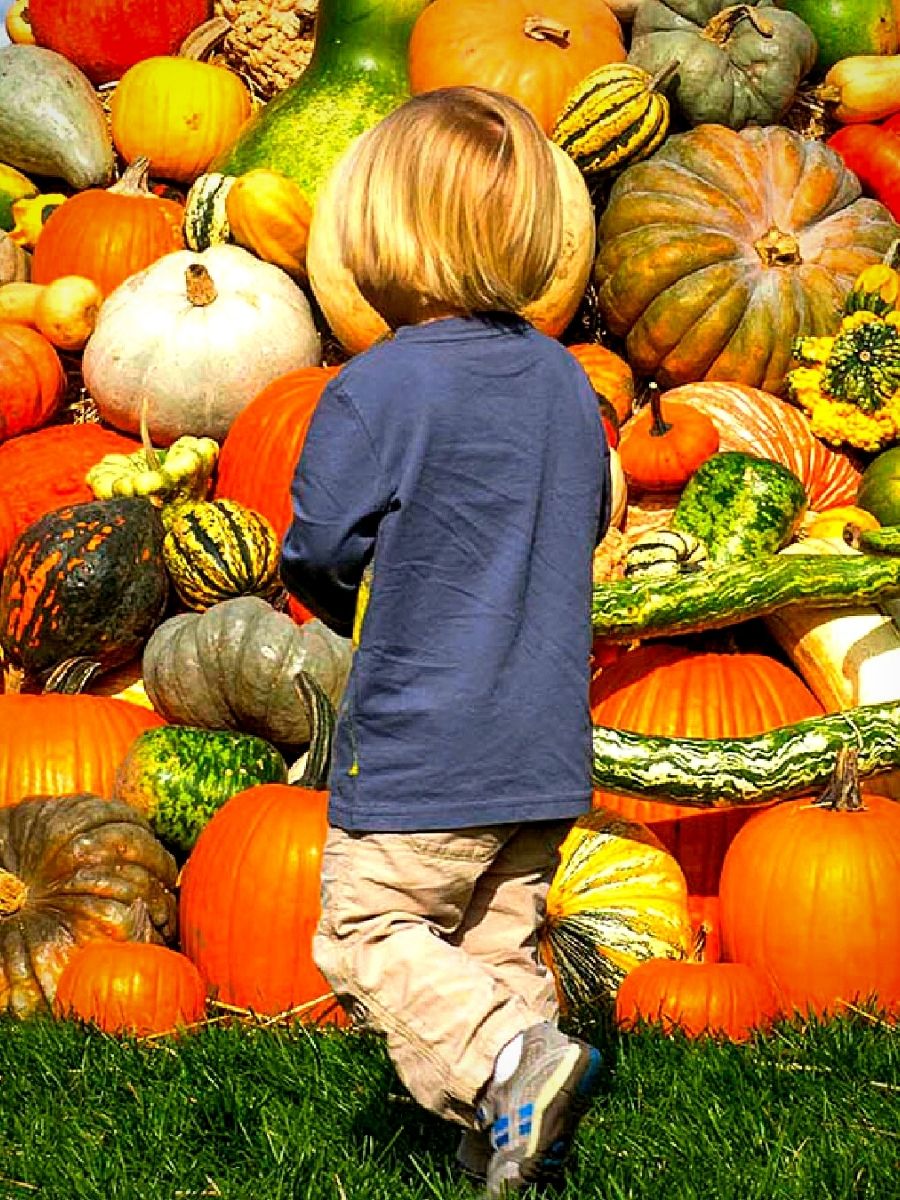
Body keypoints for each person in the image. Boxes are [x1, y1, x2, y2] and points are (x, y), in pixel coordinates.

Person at [280, 85, 611, 1198]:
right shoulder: (570, 388)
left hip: (427, 742)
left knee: (369, 933)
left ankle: (512, 1061)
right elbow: (584, 523)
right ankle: (511, 1148)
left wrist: (338, 600)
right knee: (494, 948)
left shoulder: (374, 390)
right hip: (543, 744)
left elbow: (320, 547)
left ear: (382, 232)